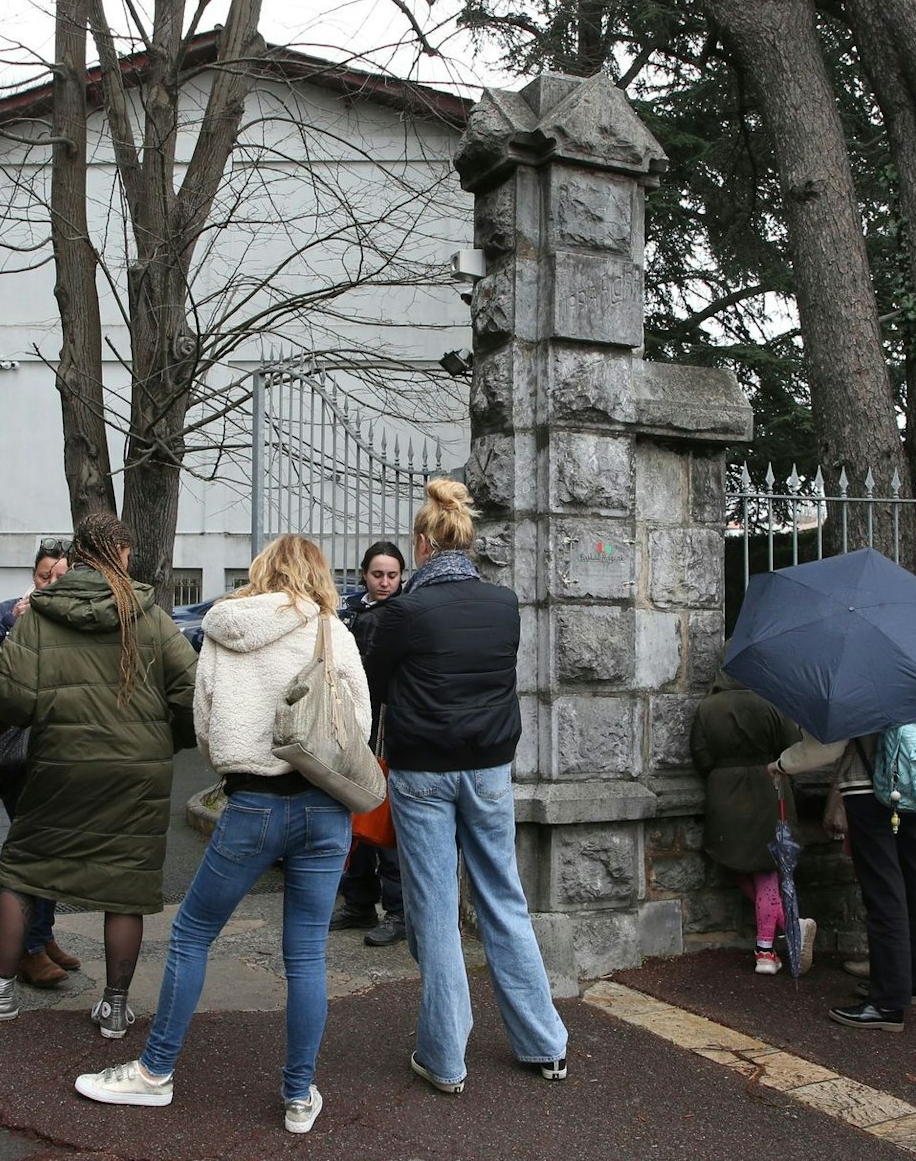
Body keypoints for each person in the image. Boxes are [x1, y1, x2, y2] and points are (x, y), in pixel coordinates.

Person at [73, 536, 369, 1135]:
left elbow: (205, 725)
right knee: (306, 954)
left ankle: (155, 1072)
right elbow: (357, 724)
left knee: (191, 935)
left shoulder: (224, 630)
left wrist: (237, 763)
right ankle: (298, 1094)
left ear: (261, 569)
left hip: (252, 804)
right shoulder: (331, 630)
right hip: (325, 809)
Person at [0, 512, 196, 1037]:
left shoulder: (40, 614)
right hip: (137, 773)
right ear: (121, 555)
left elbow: (11, 697)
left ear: (77, 556)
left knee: (25, 869)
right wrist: (165, 741)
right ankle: (115, 1006)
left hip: (59, 762)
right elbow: (191, 691)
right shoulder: (151, 616)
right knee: (125, 882)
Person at [363, 477, 569, 1092]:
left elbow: (374, 686)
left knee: (434, 910)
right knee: (504, 898)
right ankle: (544, 1043)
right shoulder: (503, 604)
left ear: (423, 544)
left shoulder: (404, 612)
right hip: (489, 768)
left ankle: (445, 1057)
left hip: (423, 771)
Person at [0, 539, 74, 987]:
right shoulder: (5, 612)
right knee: (35, 845)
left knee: (54, 844)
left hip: (59, 748)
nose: (50, 583)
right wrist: (9, 622)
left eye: (60, 577)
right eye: (44, 576)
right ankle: (28, 949)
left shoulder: (74, 621)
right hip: (14, 751)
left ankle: (42, 936)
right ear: (33, 577)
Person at [774, 731, 916, 1032]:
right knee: (914, 881)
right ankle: (910, 981)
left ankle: (887, 1002)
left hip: (870, 787)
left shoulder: (860, 697)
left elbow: (827, 746)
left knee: (883, 889)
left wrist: (782, 764)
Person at [690, 673, 815, 975]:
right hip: (768, 787)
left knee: (737, 864)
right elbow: (792, 746)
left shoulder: (707, 707)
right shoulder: (772, 701)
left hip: (724, 793)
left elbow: (701, 756)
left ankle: (781, 937)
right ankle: (768, 950)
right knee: (768, 868)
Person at [332, 539, 406, 948]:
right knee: (353, 816)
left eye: (392, 575)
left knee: (383, 819)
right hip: (352, 726)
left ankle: (397, 912)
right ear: (364, 574)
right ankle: (358, 902)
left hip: (388, 727)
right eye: (378, 574)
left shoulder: (405, 612)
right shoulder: (348, 611)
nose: (385, 582)